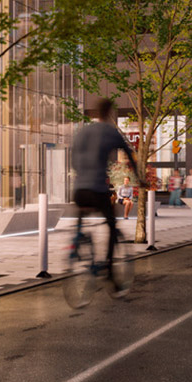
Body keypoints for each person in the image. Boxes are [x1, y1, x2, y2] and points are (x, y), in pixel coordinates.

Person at [71, 100, 140, 295]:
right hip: (97, 189)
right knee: (111, 226)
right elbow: (129, 155)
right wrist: (139, 179)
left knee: (82, 211)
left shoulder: (82, 132)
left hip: (79, 190)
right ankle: (109, 270)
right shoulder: (111, 132)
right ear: (109, 113)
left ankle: (76, 242)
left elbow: (73, 160)